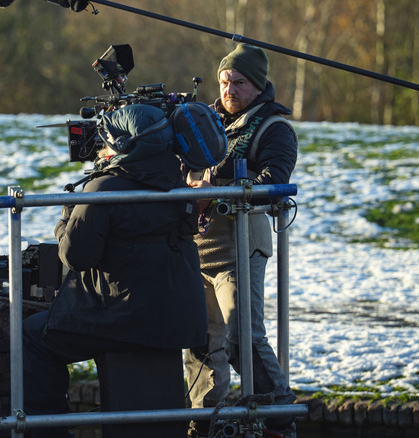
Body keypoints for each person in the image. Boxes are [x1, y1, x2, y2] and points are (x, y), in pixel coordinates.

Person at [23, 104, 208, 438]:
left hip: (126, 318)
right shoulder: (179, 185)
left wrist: (67, 216)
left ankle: (48, 431)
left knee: (32, 337)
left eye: (108, 138)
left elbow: (75, 256)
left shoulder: (104, 188)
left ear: (124, 144)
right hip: (177, 318)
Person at [183, 44, 299, 438]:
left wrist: (218, 190)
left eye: (240, 82)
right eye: (225, 80)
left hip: (240, 247)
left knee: (241, 339)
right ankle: (202, 422)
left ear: (259, 85)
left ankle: (279, 421)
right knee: (200, 341)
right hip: (197, 250)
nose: (229, 88)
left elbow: (277, 181)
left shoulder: (274, 128)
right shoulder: (201, 122)